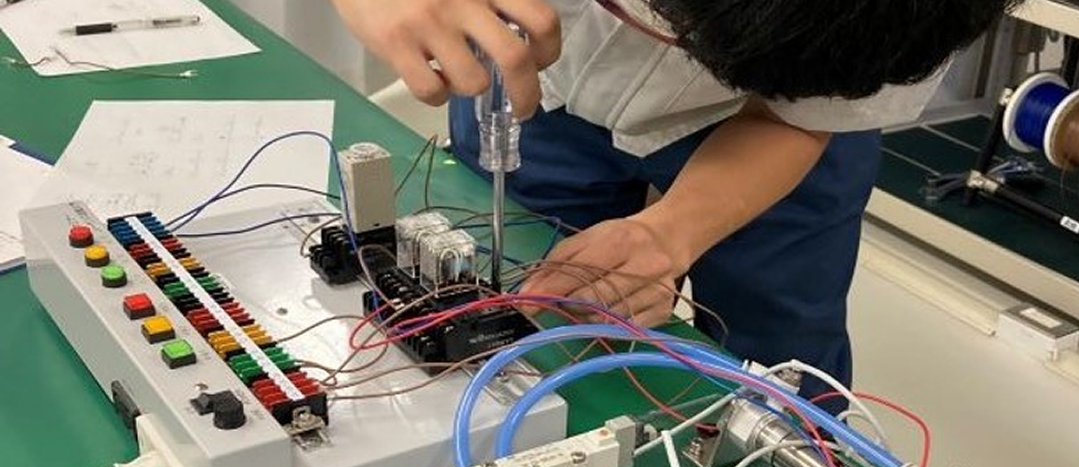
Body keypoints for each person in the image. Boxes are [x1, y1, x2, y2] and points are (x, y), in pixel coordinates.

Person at [328, 0, 1014, 390]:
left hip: (782, 115)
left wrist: (669, 233)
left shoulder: (908, 16)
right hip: (540, 80)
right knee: (529, 302)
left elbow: (799, 116)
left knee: (781, 371)